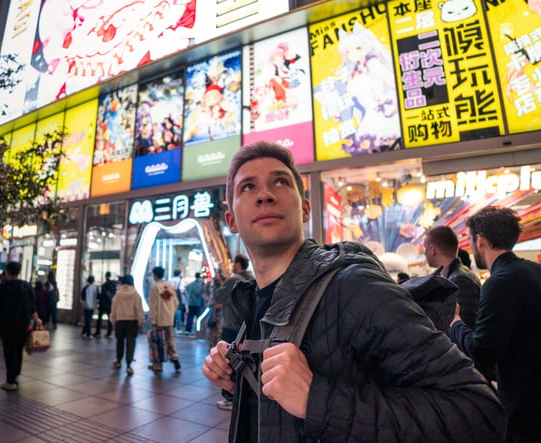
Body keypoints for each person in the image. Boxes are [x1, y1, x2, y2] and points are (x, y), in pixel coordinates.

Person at [202, 141, 506, 442]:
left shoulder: (354, 286)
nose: (265, 195)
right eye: (248, 187)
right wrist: (236, 381)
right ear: (232, 222)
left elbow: (479, 411)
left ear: (305, 209)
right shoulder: (251, 300)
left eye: (280, 182)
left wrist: (316, 400)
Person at [450, 206, 541, 442]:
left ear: (480, 240)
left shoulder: (499, 283)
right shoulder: (535, 271)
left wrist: (456, 323)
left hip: (524, 407)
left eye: (469, 240)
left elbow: (482, 353)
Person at [0, 261, 43, 391]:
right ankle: (16, 375)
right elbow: (32, 306)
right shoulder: (26, 287)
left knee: (9, 352)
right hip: (23, 324)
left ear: (7, 272)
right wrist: (37, 319)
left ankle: (10, 381)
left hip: (7, 325)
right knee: (18, 350)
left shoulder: (3, 287)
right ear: (19, 272)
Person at [212, 254, 255, 411]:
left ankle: (231, 397)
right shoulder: (252, 276)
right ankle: (244, 394)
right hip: (247, 326)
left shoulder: (234, 279)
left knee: (228, 363)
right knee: (245, 362)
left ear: (237, 264)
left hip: (232, 325)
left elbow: (218, 297)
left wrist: (218, 282)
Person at [423, 225, 481, 329]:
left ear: (432, 249)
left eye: (425, 248)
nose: (424, 252)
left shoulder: (458, 281)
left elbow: (465, 327)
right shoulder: (459, 275)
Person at [147, 266, 181, 372]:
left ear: (155, 275)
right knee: (169, 339)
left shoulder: (154, 288)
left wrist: (153, 320)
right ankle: (175, 357)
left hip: (159, 320)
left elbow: (153, 305)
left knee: (158, 342)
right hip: (169, 319)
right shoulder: (170, 286)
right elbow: (176, 303)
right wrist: (171, 313)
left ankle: (158, 365)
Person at [110, 274, 144, 375]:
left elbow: (114, 308)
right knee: (130, 343)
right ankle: (128, 365)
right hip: (131, 322)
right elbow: (139, 309)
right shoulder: (135, 294)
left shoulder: (118, 294)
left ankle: (119, 361)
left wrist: (113, 320)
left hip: (120, 321)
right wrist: (140, 321)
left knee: (119, 342)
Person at [94, 271, 116, 338]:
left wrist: (99, 297)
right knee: (109, 320)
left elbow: (102, 295)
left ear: (106, 276)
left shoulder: (104, 285)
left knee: (99, 319)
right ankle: (109, 333)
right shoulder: (113, 285)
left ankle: (98, 332)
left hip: (103, 304)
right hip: (109, 305)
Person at [80, 275, 98, 340]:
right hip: (92, 306)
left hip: (86, 305)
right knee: (89, 319)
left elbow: (82, 297)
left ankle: (88, 333)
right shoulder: (95, 288)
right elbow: (97, 297)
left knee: (87, 320)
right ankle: (85, 332)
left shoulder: (85, 287)